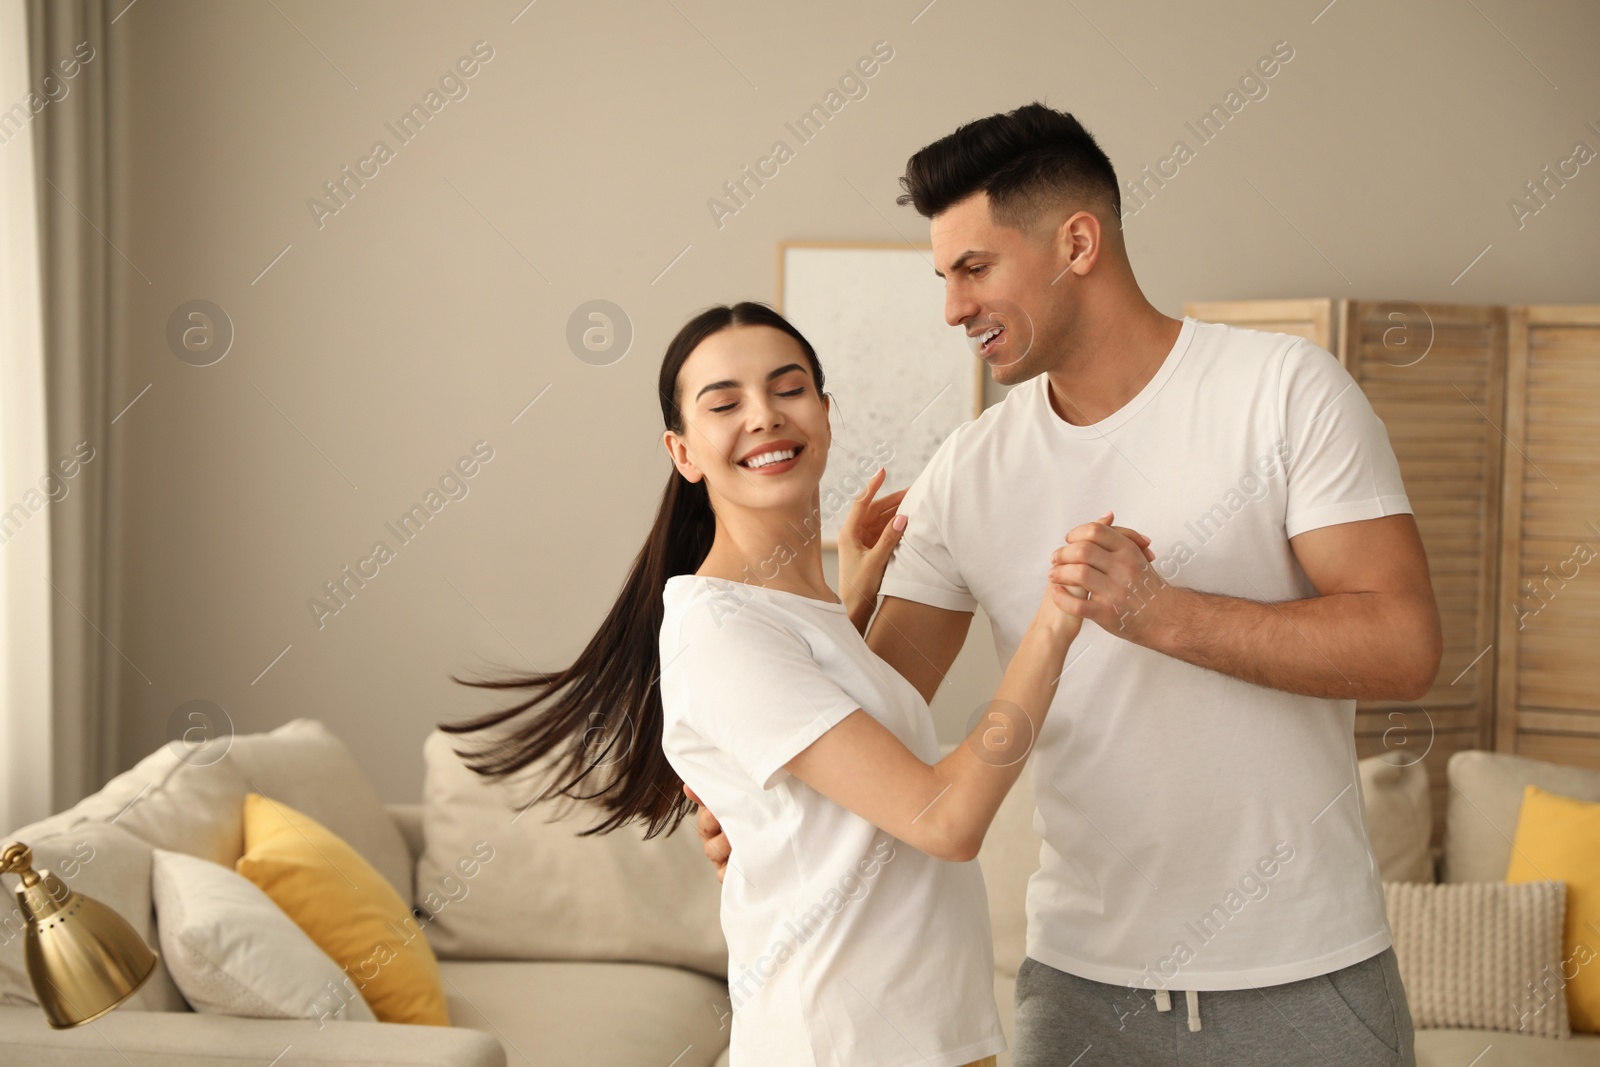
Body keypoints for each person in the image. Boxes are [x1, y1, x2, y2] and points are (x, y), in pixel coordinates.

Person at [693, 104, 1442, 1067]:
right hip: (1084, 991)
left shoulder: (1284, 391)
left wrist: (1161, 614)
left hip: (1310, 975)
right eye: (943, 278)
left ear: (1077, 242)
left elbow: (1402, 644)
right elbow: (875, 725)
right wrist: (764, 798)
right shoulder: (971, 469)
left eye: (974, 268)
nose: (953, 307)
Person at [438, 300, 1153, 1067]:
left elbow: (825, 775)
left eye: (788, 389)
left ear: (826, 413)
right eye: (725, 403)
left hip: (930, 1039)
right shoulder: (717, 630)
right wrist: (1055, 622)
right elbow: (946, 821)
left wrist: (849, 603)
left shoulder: (789, 614)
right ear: (683, 451)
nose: (764, 416)